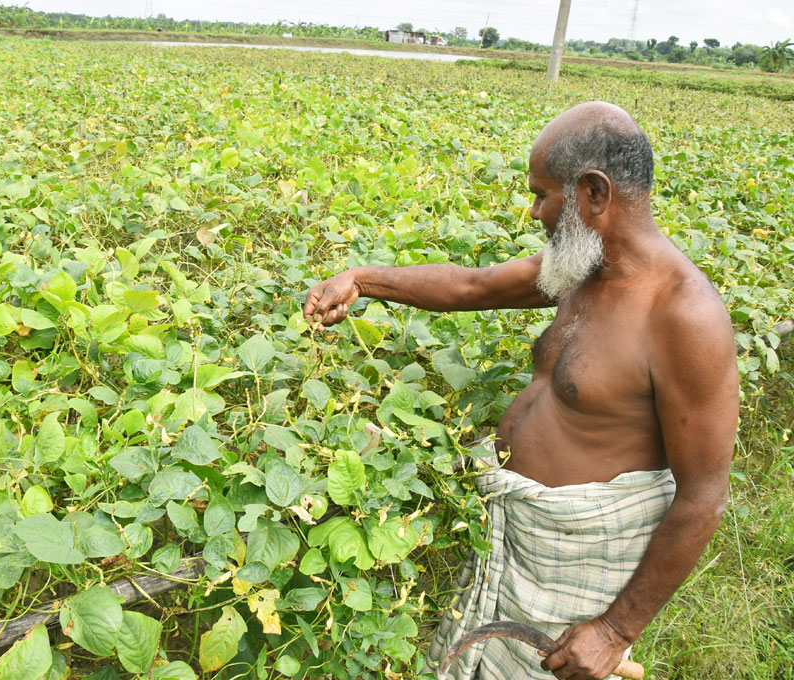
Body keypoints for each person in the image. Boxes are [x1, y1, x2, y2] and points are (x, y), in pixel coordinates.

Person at [302, 102, 739, 680]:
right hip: (514, 537)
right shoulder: (583, 267)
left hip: (579, 563)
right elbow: (470, 286)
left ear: (593, 194)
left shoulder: (683, 315)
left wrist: (613, 630)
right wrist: (362, 279)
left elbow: (703, 496)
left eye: (542, 195)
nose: (534, 210)